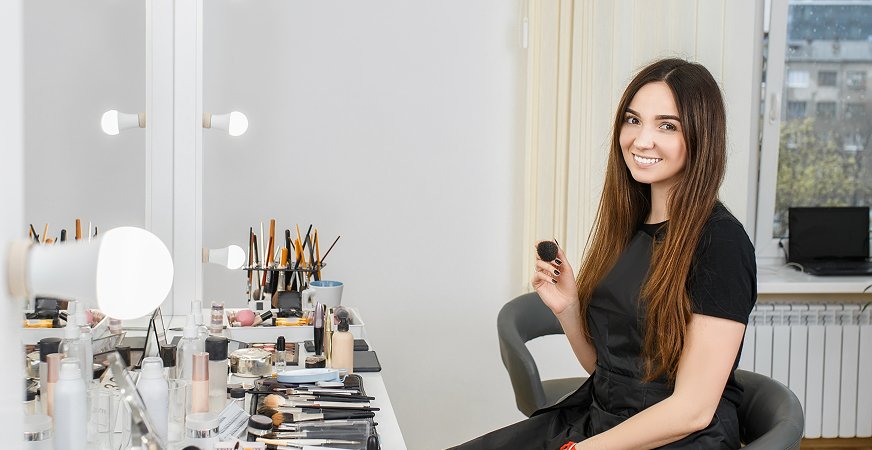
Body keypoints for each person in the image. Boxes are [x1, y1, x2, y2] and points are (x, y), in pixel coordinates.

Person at [451, 58, 756, 449]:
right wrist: (569, 310)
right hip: (606, 420)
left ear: (701, 136)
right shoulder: (630, 227)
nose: (641, 140)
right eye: (633, 120)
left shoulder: (721, 244)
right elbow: (607, 370)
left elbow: (692, 409)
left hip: (676, 439)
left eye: (667, 125)